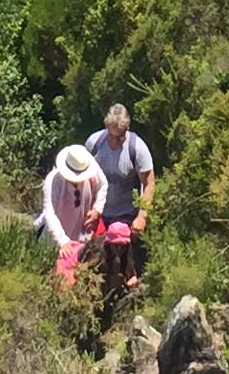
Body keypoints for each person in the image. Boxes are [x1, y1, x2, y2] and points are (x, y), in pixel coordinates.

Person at [85, 103, 156, 302]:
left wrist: (142, 216)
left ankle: (129, 305)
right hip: (100, 214)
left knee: (128, 267)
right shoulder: (94, 144)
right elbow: (82, 179)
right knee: (98, 264)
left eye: (120, 136)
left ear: (127, 130)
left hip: (127, 215)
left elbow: (149, 183)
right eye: (111, 135)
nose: (115, 141)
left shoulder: (136, 147)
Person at [35, 142, 105, 289]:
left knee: (76, 281)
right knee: (48, 280)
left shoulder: (90, 169)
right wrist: (62, 240)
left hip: (80, 237)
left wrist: (97, 209)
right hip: (53, 241)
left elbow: (103, 185)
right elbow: (50, 213)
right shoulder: (53, 181)